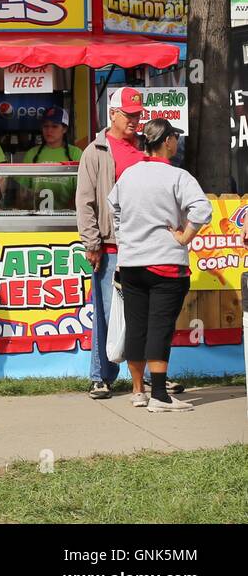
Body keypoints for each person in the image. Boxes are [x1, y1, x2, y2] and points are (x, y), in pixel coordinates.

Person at [76, 85, 179, 400]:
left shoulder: (147, 148)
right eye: (128, 114)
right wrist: (91, 243)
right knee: (108, 313)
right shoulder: (96, 150)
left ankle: (151, 377)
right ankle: (101, 377)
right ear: (113, 114)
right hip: (110, 245)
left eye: (138, 114)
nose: (135, 120)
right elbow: (85, 201)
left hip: (148, 244)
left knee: (148, 312)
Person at [109, 119, 212, 412]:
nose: (176, 143)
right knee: (159, 328)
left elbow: (114, 209)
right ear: (166, 141)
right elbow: (202, 209)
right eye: (174, 138)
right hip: (166, 262)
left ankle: (139, 391)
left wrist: (126, 241)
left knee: (137, 327)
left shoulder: (128, 175)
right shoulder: (178, 176)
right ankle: (160, 396)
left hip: (131, 263)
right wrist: (184, 237)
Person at [14, 107, 81, 212]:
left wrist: (67, 212)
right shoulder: (32, 154)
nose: (49, 130)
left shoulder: (76, 153)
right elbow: (22, 192)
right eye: (46, 126)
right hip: (36, 218)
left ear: (64, 129)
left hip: (67, 218)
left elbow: (81, 191)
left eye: (54, 126)